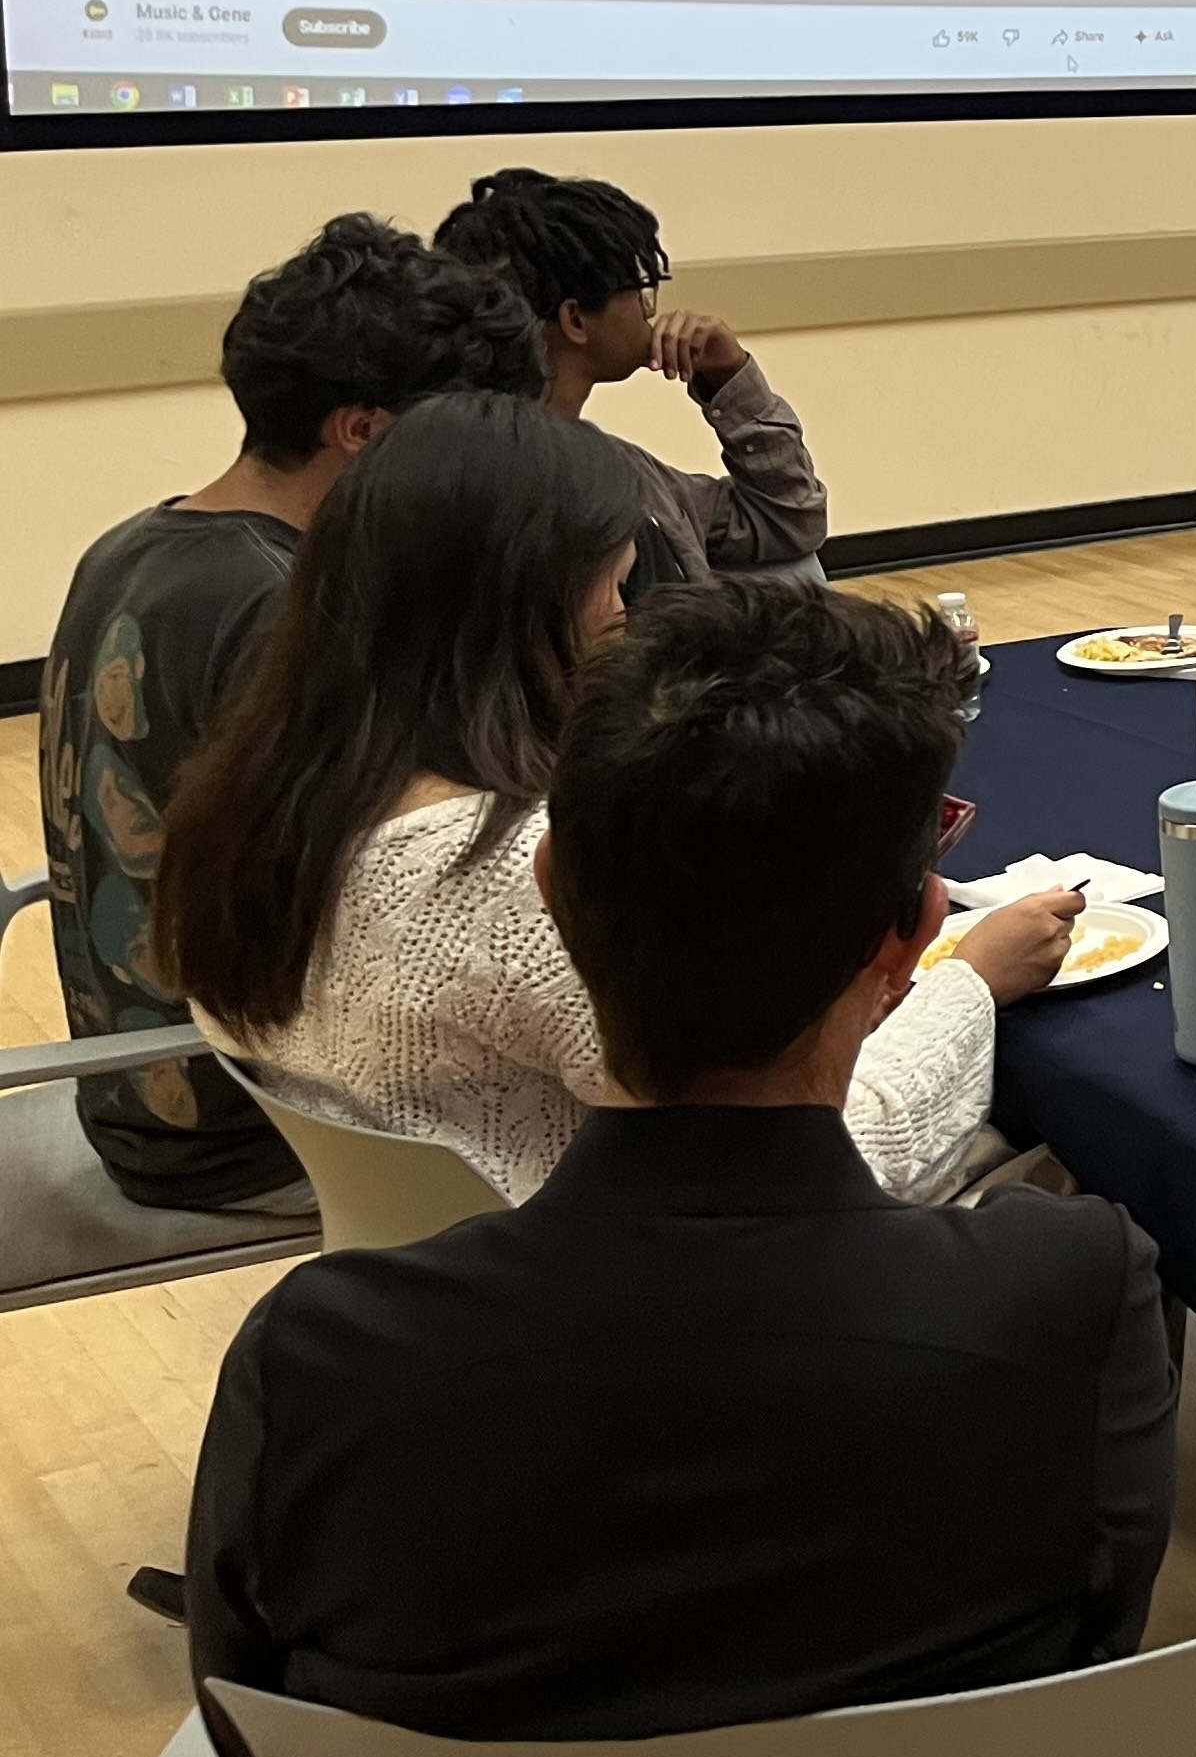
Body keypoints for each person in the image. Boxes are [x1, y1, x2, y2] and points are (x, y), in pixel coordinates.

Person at [183, 578, 1177, 1743]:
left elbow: (246, 1717)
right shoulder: (1069, 1295)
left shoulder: (316, 1356)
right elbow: (1097, 1647)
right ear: (914, 931)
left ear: (554, 890)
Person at [150, 393, 1072, 1205]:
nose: (626, 617)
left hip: (414, 1285)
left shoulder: (254, 798)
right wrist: (971, 986)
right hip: (625, 1306)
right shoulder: (514, 874)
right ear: (528, 608)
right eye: (614, 595)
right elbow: (796, 1174)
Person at [37, 216, 543, 1212]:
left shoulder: (133, 543)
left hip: (150, 1087)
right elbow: (407, 909)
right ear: (362, 432)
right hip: (259, 1124)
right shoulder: (282, 610)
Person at [434, 167, 828, 587]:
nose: (649, 310)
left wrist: (729, 382)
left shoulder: (625, 469)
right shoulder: (514, 495)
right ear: (576, 320)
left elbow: (789, 520)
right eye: (640, 289)